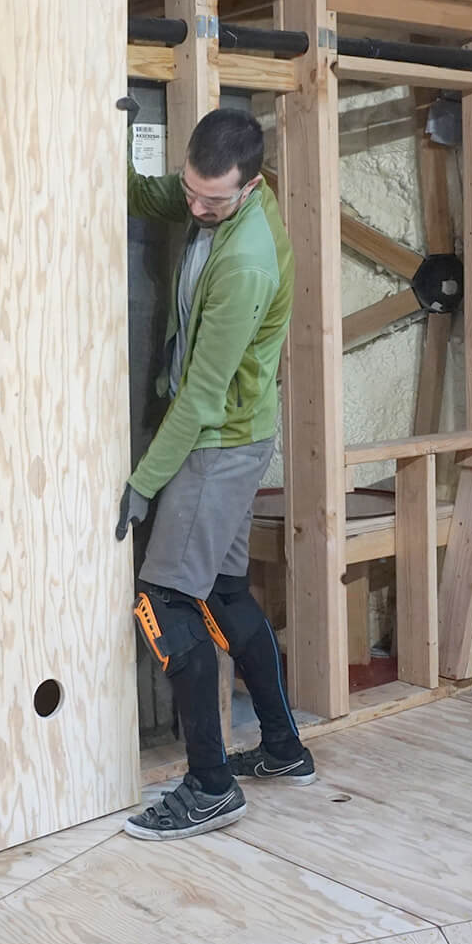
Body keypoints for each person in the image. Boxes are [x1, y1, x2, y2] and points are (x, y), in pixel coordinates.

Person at [116, 106, 310, 841]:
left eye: (213, 200)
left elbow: (201, 397)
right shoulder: (209, 199)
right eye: (191, 191)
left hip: (219, 444)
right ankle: (284, 748)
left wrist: (143, 483)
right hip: (231, 433)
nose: (196, 209)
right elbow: (151, 196)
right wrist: (108, 142)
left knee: (163, 600)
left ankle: (209, 785)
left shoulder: (246, 261)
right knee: (224, 593)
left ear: (250, 187)